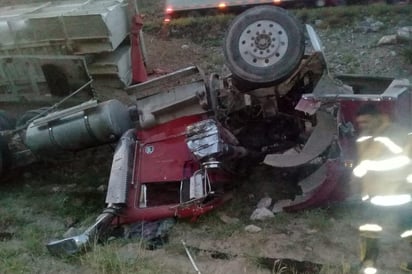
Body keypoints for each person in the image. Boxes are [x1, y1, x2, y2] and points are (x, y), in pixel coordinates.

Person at [352, 103, 412, 273]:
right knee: (369, 230)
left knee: (408, 230)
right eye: (360, 123)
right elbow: (363, 164)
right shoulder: (365, 137)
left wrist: (369, 166)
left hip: (398, 193)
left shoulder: (398, 134)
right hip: (376, 196)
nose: (363, 125)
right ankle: (368, 266)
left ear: (378, 118)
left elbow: (405, 161)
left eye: (366, 121)